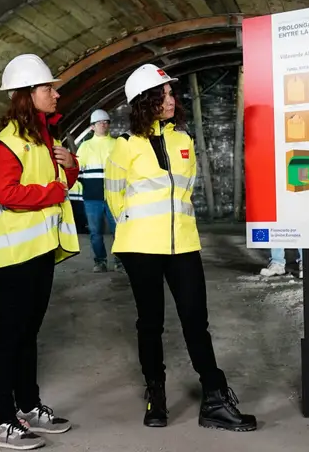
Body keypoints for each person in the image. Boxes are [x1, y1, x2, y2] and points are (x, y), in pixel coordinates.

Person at [105, 63, 257, 432]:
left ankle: (216, 399)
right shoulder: (124, 147)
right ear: (144, 101)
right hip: (140, 247)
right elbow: (114, 199)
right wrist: (139, 231)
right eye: (163, 94)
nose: (172, 99)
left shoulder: (183, 139)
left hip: (184, 245)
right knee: (150, 323)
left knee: (195, 321)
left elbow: (184, 194)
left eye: (172, 93)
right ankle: (156, 395)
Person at [0, 53, 80, 450]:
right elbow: (8, 193)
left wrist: (70, 165)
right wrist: (56, 190)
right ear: (26, 94)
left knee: (29, 332)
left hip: (39, 248)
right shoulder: (8, 143)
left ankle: (28, 406)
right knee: (8, 334)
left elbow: (58, 178)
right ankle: (1, 421)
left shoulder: (42, 136)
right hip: (14, 254)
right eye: (47, 88)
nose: (56, 93)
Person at [77, 109, 120, 272]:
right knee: (95, 233)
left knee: (118, 230)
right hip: (92, 197)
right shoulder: (85, 147)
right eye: (99, 122)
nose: (103, 124)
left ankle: (120, 261)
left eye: (106, 121)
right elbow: (77, 171)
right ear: (92, 127)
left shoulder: (117, 144)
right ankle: (100, 261)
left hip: (113, 196)